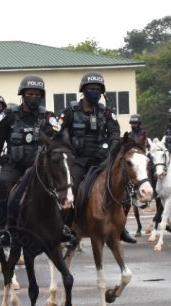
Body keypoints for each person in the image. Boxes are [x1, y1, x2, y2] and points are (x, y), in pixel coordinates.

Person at [58, 71, 135, 243]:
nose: (95, 92)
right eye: (92, 89)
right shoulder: (70, 111)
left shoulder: (107, 112)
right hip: (78, 159)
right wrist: (67, 147)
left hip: (101, 160)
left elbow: (115, 133)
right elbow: (58, 131)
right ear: (83, 90)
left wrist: (109, 149)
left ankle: (121, 228)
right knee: (72, 190)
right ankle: (67, 228)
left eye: (98, 89)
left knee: (123, 188)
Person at [0, 75, 57, 241]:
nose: (33, 98)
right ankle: (3, 228)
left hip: (39, 167)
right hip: (14, 165)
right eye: (30, 94)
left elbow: (56, 143)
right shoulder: (8, 115)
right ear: (22, 94)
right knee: (1, 182)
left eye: (37, 94)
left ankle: (62, 227)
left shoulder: (49, 117)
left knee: (64, 185)